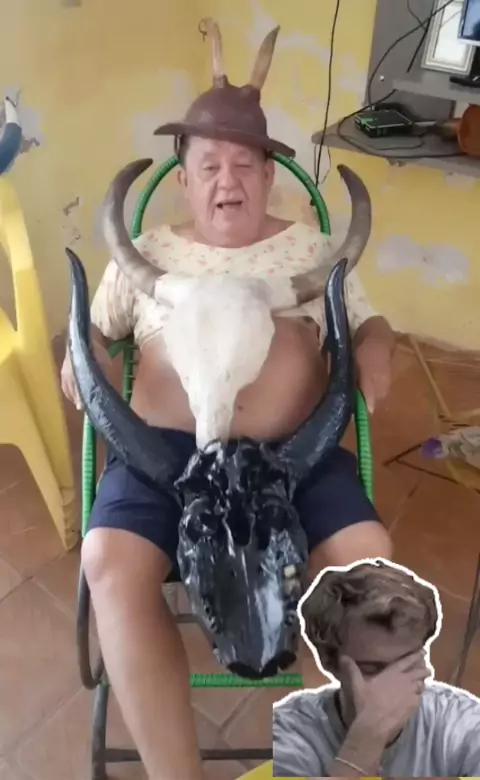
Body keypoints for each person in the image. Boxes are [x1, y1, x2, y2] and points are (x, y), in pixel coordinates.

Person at [61, 18, 394, 780]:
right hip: (161, 460)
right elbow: (91, 334)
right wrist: (85, 365)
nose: (227, 180)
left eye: (246, 164)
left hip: (299, 458)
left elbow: (369, 322)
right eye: (209, 164)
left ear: (271, 175)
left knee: (367, 561)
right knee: (108, 560)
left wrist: (376, 345)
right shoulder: (147, 251)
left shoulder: (311, 248)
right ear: (183, 178)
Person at [273, 559, 480, 778]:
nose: (393, 686)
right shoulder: (288, 732)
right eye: (372, 669)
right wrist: (362, 745)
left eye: (408, 663)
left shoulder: (460, 723)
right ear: (328, 662)